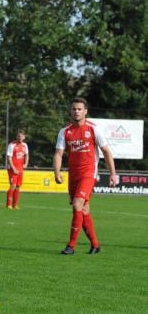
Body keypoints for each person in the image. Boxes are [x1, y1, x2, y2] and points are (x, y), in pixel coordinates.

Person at [53, 97, 118, 255]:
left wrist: (112, 174)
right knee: (84, 209)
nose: (76, 111)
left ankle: (71, 246)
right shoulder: (65, 131)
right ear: (70, 111)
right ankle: (95, 245)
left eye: (79, 109)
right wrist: (57, 172)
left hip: (88, 174)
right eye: (74, 109)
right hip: (73, 175)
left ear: (85, 111)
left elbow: (107, 152)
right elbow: (58, 154)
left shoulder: (93, 129)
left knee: (77, 204)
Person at [5, 130, 29, 209]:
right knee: (13, 185)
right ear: (16, 137)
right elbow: (9, 158)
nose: (20, 138)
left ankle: (15, 205)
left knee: (18, 186)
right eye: (18, 136)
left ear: (24, 137)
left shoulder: (25, 145)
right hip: (12, 169)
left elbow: (26, 155)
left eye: (21, 136)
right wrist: (13, 168)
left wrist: (25, 164)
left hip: (20, 169)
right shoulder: (12, 145)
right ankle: (8, 204)